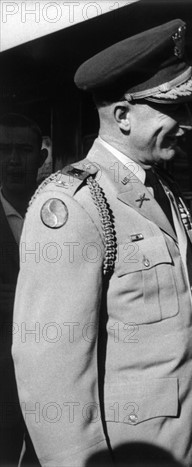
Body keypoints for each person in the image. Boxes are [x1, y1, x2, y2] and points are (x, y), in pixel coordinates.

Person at [12, 20, 192, 466]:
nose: (189, 125)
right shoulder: (74, 203)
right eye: (174, 110)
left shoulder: (162, 190)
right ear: (122, 116)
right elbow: (50, 369)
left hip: (186, 445)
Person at [0, 113, 47, 464]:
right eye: (4, 150)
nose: (14, 160)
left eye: (24, 150)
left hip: (52, 374)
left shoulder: (60, 211)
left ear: (41, 158)